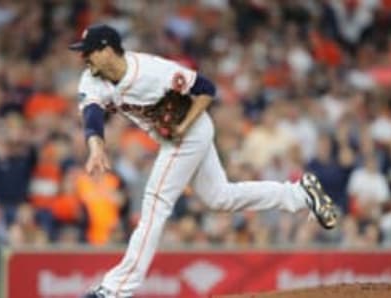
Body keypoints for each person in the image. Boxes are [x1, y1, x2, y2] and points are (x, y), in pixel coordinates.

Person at [69, 24, 338, 298]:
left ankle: (116, 289)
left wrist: (185, 125)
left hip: (190, 132)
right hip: (176, 137)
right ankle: (298, 194)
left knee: (155, 203)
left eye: (89, 51)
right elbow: (92, 114)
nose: (84, 57)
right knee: (220, 198)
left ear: (108, 50)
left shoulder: (152, 71)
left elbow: (207, 88)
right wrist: (96, 148)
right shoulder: (91, 78)